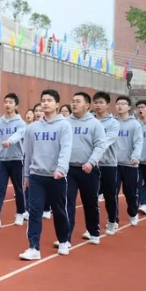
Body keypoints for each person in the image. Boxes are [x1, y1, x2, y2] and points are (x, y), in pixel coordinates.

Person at [20, 89, 72, 261]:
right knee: (34, 212)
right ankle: (33, 247)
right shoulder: (32, 128)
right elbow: (28, 153)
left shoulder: (64, 126)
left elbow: (66, 149)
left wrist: (61, 169)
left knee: (59, 210)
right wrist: (26, 176)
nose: (45, 103)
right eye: (43, 100)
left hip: (56, 176)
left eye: (49, 100)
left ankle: (63, 241)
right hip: (36, 175)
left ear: (57, 104)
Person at [64, 92, 105, 245]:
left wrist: (91, 162)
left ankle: (94, 232)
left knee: (90, 202)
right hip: (69, 169)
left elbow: (100, 145)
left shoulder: (95, 124)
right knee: (67, 203)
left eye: (78, 101)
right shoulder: (65, 123)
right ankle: (65, 237)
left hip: (88, 169)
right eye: (72, 101)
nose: (74, 104)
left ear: (87, 105)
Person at [0, 93, 27, 226]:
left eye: (11, 102)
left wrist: (10, 141)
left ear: (16, 105)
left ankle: (20, 213)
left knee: (18, 188)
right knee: (0, 189)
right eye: (6, 102)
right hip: (2, 160)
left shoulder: (21, 123)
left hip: (17, 159)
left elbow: (19, 135)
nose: (7, 104)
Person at [92, 92, 120, 235]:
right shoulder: (90, 120)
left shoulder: (113, 123)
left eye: (101, 102)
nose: (98, 105)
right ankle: (93, 226)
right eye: (96, 102)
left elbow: (107, 141)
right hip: (92, 164)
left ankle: (112, 220)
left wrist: (95, 153)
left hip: (108, 164)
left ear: (108, 104)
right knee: (92, 196)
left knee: (110, 195)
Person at [114, 96, 143, 227]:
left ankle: (133, 213)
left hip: (130, 163)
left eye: (123, 104)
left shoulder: (135, 124)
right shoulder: (113, 123)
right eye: (118, 103)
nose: (120, 106)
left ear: (129, 107)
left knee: (130, 192)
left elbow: (138, 143)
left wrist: (135, 156)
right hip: (114, 163)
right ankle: (113, 219)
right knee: (112, 192)